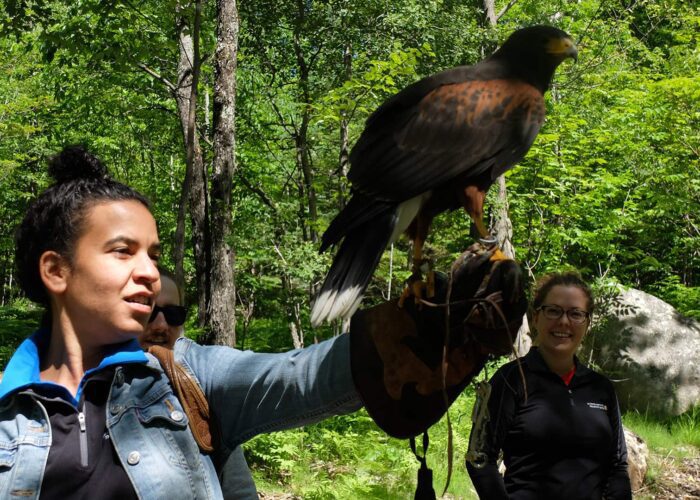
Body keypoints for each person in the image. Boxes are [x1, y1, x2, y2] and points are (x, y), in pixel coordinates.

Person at [0, 146, 360, 498]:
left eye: (153, 256)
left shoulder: (187, 375)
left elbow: (301, 376)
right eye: (123, 251)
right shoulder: (6, 412)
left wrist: (400, 329)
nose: (150, 274)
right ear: (56, 271)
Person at [466, 272, 632, 499]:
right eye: (553, 311)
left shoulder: (601, 388)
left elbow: (618, 464)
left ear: (587, 323)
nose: (564, 321)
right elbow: (479, 457)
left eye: (575, 314)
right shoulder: (510, 380)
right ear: (536, 317)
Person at [138, 267, 258, 499]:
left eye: (173, 314)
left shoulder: (197, 394)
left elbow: (239, 491)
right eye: (149, 310)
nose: (162, 325)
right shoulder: (89, 393)